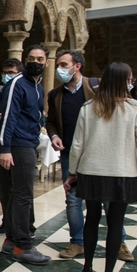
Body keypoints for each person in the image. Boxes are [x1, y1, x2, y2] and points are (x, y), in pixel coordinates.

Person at [65, 63, 137, 272]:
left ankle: (87, 269)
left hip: (91, 171)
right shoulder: (136, 109)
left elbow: (77, 144)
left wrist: (72, 172)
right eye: (131, 78)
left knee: (91, 220)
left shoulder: (88, 107)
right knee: (115, 224)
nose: (132, 81)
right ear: (125, 81)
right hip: (122, 173)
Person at [0, 45, 51, 265]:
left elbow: (35, 116)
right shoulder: (17, 83)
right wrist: (5, 148)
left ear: (47, 62)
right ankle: (22, 245)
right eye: (30, 58)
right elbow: (8, 117)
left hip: (28, 142)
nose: (34, 62)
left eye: (39, 59)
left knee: (16, 194)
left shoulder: (38, 87)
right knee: (23, 195)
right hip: (18, 145)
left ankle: (11, 239)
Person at [45, 50, 96, 260]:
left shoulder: (95, 87)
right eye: (58, 65)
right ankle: (77, 242)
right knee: (73, 199)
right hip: (69, 153)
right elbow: (51, 121)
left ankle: (118, 241)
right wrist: (54, 135)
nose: (59, 69)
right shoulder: (55, 94)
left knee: (107, 197)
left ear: (77, 66)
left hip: (96, 152)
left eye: (64, 65)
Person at [0, 59, 24, 236]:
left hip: (19, 146)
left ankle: (24, 227)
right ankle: (7, 222)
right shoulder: (1, 95)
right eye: (5, 72)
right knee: (4, 189)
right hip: (1, 144)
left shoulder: (25, 91)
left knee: (22, 191)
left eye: (11, 73)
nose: (7, 76)